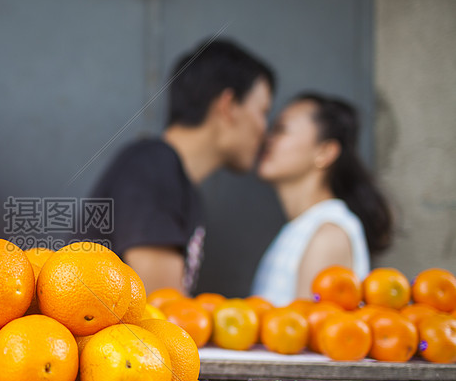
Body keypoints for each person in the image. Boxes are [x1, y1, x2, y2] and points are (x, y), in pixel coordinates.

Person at [86, 38, 275, 295]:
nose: (265, 131)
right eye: (263, 111)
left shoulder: (174, 179)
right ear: (228, 106)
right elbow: (164, 312)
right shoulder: (153, 165)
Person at [251, 93, 393, 305]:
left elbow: (312, 332)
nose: (267, 138)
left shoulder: (328, 236)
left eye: (281, 129)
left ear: (325, 152)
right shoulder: (306, 228)